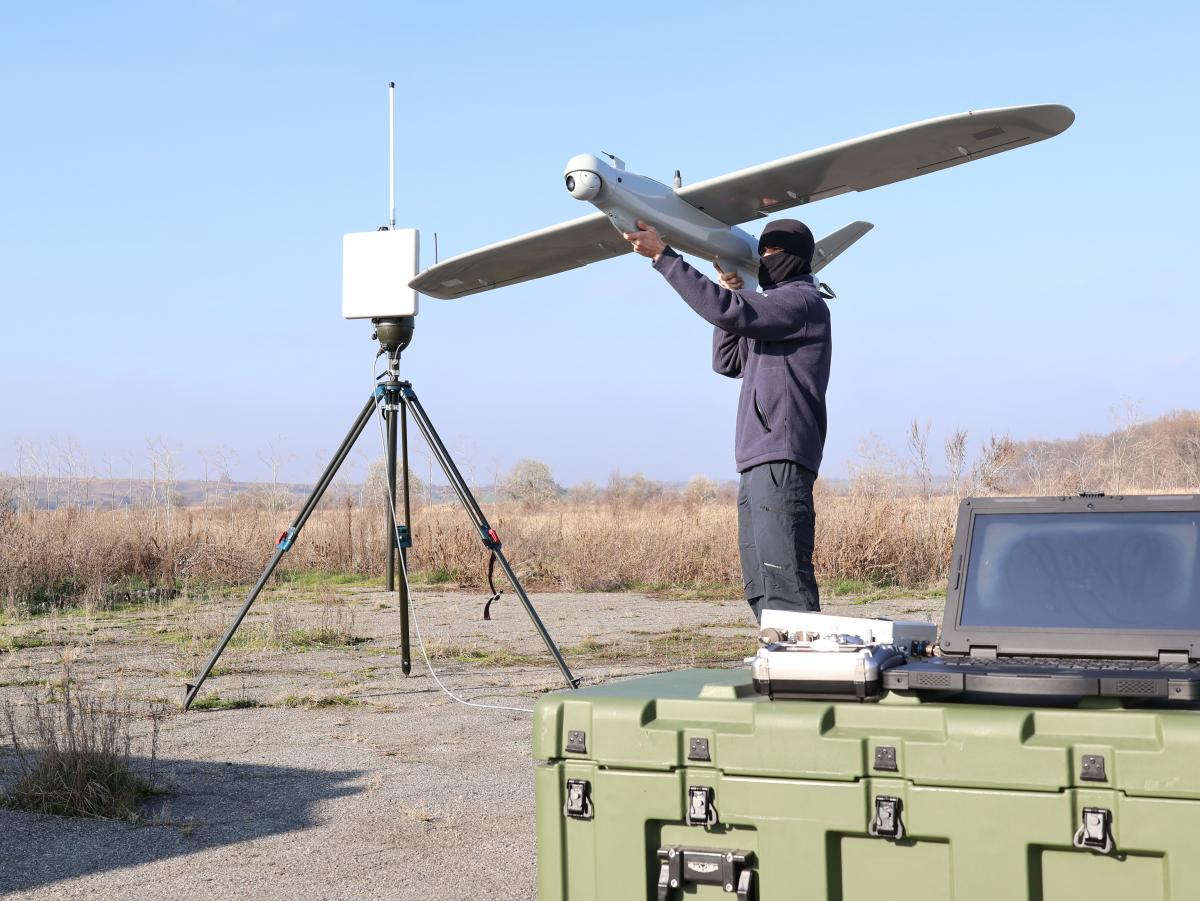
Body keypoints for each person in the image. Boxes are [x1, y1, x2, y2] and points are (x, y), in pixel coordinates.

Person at [623, 218, 828, 622]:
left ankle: (808, 667)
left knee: (783, 574)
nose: (765, 260)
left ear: (795, 258)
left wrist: (665, 258)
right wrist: (735, 292)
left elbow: (728, 312)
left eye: (772, 253)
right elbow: (727, 361)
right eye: (762, 252)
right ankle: (779, 657)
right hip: (756, 456)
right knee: (760, 578)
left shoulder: (801, 302)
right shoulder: (769, 311)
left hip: (781, 453)